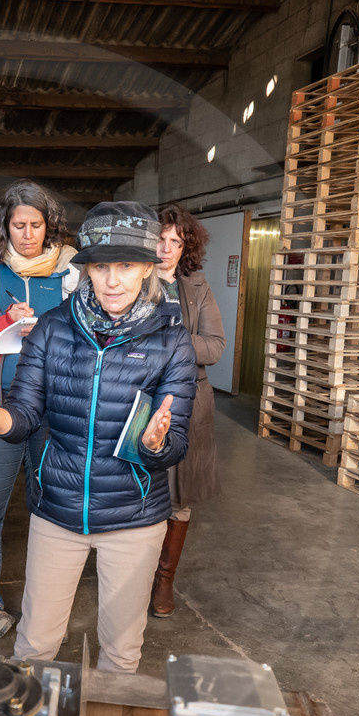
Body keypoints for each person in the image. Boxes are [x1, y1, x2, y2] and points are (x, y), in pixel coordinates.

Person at [0, 201, 197, 673]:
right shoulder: (53, 328)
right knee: (34, 646)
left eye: (126, 266)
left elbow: (175, 444)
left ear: (148, 267)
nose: (112, 281)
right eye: (101, 267)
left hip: (134, 516)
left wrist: (153, 442)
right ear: (84, 269)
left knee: (121, 653)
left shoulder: (172, 340)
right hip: (57, 512)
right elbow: (25, 414)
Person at [0, 181, 79, 639]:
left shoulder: (73, 276)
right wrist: (5, 322)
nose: (27, 234)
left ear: (50, 227)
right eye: (18, 225)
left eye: (36, 225)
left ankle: (46, 604)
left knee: (52, 510)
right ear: (5, 227)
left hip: (55, 412)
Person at [149, 205, 225, 617]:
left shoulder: (196, 286)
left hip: (187, 402)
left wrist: (172, 341)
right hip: (136, 398)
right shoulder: (131, 279)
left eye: (175, 241)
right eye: (160, 238)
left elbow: (214, 346)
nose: (166, 248)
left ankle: (164, 581)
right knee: (137, 488)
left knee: (179, 497)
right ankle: (134, 574)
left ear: (185, 248)